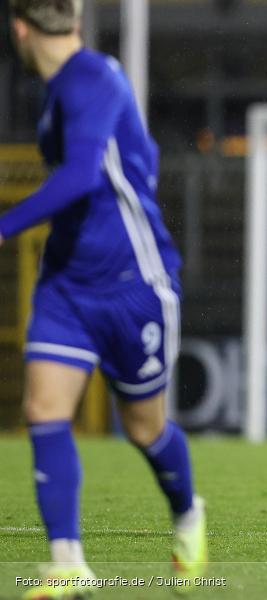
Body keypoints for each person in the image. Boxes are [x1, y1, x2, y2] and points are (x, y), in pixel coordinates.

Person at [3, 2, 206, 596]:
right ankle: (68, 562)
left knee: (144, 428)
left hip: (133, 283)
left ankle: (188, 513)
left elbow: (82, 177)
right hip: (67, 284)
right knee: (44, 410)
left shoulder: (92, 76)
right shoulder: (64, 90)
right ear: (75, 19)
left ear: (18, 28)